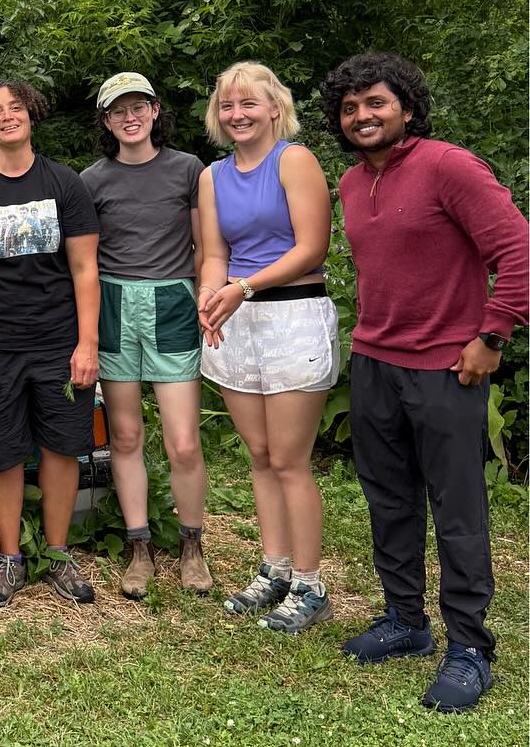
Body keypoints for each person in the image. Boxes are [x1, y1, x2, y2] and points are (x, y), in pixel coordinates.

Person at [321, 54, 528, 712]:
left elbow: (517, 249)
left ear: (406, 107)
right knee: (390, 501)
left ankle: (469, 648)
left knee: (458, 511)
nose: (363, 116)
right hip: (376, 362)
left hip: (447, 364)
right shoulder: (352, 183)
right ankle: (406, 622)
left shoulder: (449, 166)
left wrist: (493, 336)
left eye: (375, 103)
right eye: (350, 108)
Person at [0, 81, 101, 609]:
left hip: (59, 341)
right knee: (3, 449)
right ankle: (10, 558)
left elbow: (84, 267)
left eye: (15, 108)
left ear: (31, 115)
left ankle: (57, 554)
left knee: (62, 445)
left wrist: (86, 343)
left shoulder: (65, 184)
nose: (7, 116)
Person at [198, 61, 337, 634]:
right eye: (227, 106)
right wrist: (210, 296)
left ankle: (310, 582)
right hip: (235, 319)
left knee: (289, 459)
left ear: (274, 107)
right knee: (259, 455)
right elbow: (213, 251)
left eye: (249, 104)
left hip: (292, 318)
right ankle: (275, 568)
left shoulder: (295, 160)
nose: (237, 115)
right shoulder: (212, 176)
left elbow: (312, 247)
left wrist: (244, 287)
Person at [82, 71, 211, 598]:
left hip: (173, 302)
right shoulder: (90, 180)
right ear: (106, 121)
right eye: (118, 110)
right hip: (113, 304)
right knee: (126, 436)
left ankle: (191, 545)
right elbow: (84, 261)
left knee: (183, 442)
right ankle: (139, 547)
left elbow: (206, 246)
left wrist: (206, 297)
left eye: (138, 107)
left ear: (156, 111)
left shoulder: (189, 169)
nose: (129, 118)